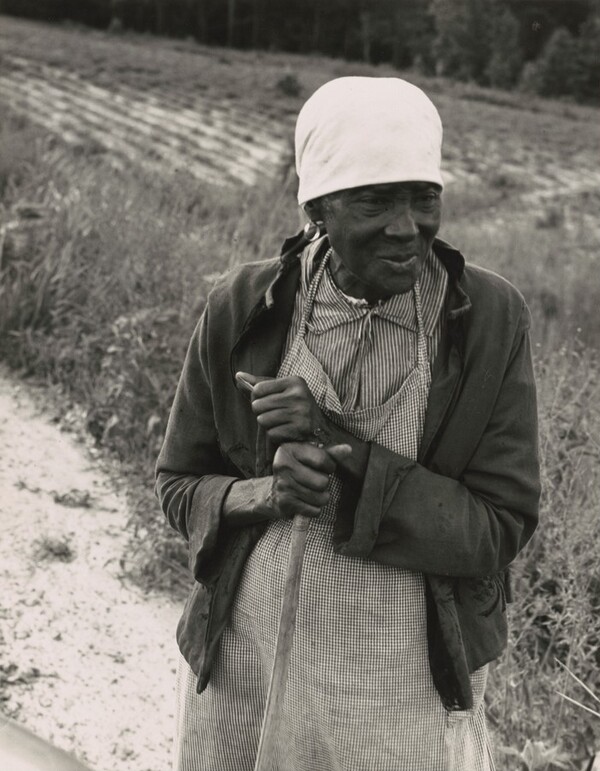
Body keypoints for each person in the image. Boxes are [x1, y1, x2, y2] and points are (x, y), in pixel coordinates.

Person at [156, 76, 540, 771]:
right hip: (248, 666)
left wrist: (338, 445)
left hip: (398, 689)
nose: (407, 226)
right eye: (374, 200)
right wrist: (263, 495)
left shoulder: (487, 320)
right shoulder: (244, 305)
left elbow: (497, 527)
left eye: (423, 197)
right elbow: (180, 483)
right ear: (317, 209)